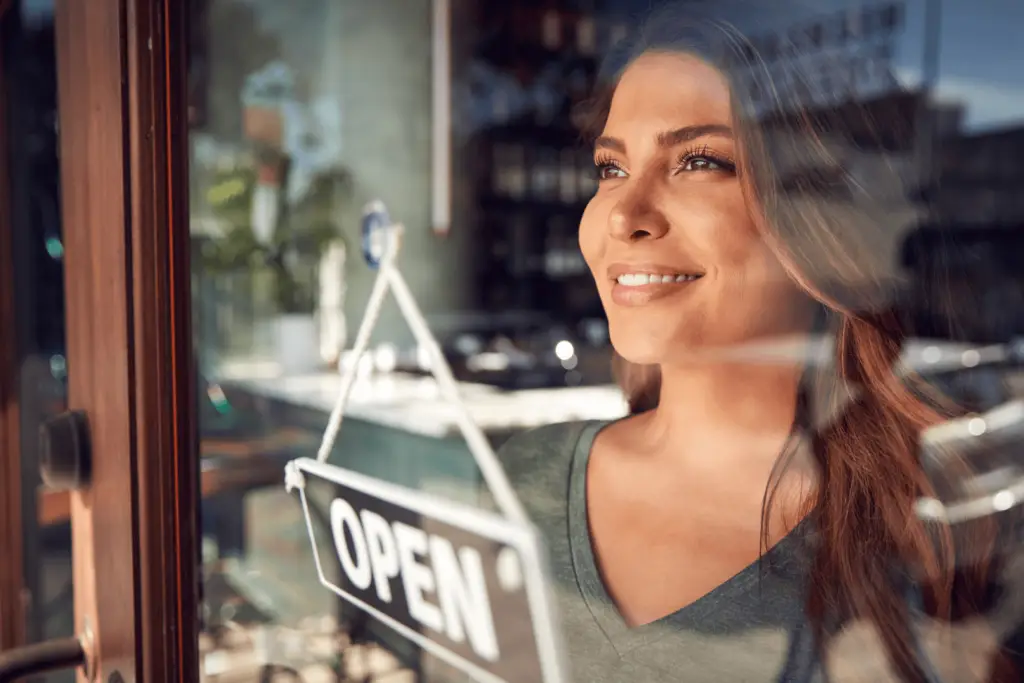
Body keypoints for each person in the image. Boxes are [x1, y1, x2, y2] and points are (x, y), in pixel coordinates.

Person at [496, 6, 1020, 682]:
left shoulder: (943, 526)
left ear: (817, 222)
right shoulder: (523, 483)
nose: (624, 215)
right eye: (611, 168)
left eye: (699, 161)